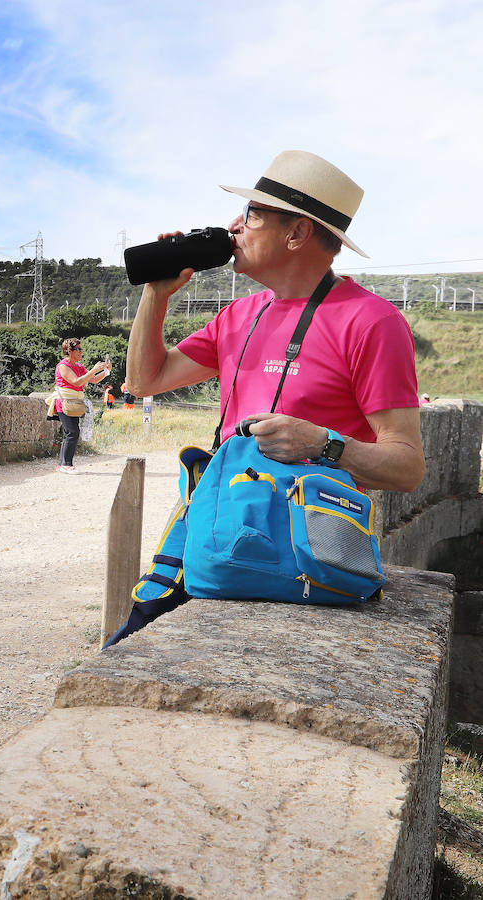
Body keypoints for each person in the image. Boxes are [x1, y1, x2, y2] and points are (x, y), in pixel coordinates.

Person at [108, 150, 424, 646]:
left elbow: (407, 467)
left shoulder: (373, 322)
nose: (234, 225)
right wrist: (156, 294)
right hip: (216, 525)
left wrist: (322, 443)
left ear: (296, 233)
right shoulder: (240, 314)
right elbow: (144, 381)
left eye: (252, 214)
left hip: (304, 548)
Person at [51, 338, 110, 473]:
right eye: (78, 349)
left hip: (74, 403)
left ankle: (62, 464)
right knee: (73, 432)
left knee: (69, 432)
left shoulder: (78, 366)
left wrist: (105, 371)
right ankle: (66, 464)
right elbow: (77, 382)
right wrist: (94, 369)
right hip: (65, 403)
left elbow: (93, 379)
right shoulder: (63, 366)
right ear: (69, 351)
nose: (81, 352)